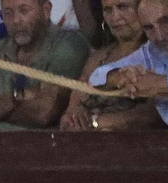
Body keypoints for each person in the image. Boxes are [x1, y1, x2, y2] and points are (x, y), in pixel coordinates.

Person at [0, 0, 91, 128]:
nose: (16, 20)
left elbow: (44, 113)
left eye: (24, 11)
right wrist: (18, 97)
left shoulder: (67, 44)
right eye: (8, 13)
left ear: (46, 10)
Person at [60, 0, 161, 128]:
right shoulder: (98, 58)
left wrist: (95, 123)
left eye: (123, 7)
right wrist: (72, 116)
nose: (115, 17)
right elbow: (76, 100)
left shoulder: (159, 55)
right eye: (108, 10)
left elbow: (153, 114)